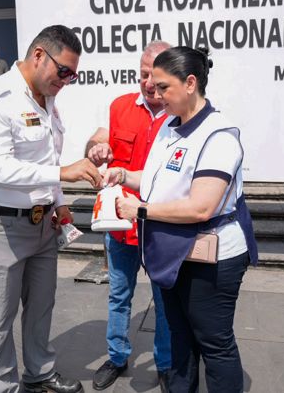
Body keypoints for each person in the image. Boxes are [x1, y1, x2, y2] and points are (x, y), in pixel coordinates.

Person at [104, 47, 258, 393]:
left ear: (190, 83)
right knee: (178, 338)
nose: (155, 94)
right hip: (173, 252)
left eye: (163, 87)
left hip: (210, 258)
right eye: (153, 86)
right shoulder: (170, 127)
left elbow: (201, 206)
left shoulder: (219, 135)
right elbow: (158, 180)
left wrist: (139, 210)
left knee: (213, 343)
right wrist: (124, 176)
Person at [0, 25, 102, 393]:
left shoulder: (47, 97)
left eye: (74, 74)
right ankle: (4, 387)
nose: (67, 81)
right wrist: (63, 173)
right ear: (39, 55)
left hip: (43, 224)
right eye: (64, 72)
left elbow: (44, 158)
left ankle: (39, 372)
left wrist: (58, 202)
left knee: (41, 306)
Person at [85, 41, 172, 392]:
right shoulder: (121, 106)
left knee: (165, 299)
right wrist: (96, 147)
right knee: (119, 294)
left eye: (155, 76)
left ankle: (166, 363)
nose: (148, 83)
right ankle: (117, 357)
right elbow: (99, 138)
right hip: (120, 225)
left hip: (163, 225)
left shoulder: (179, 111)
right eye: (142, 74)